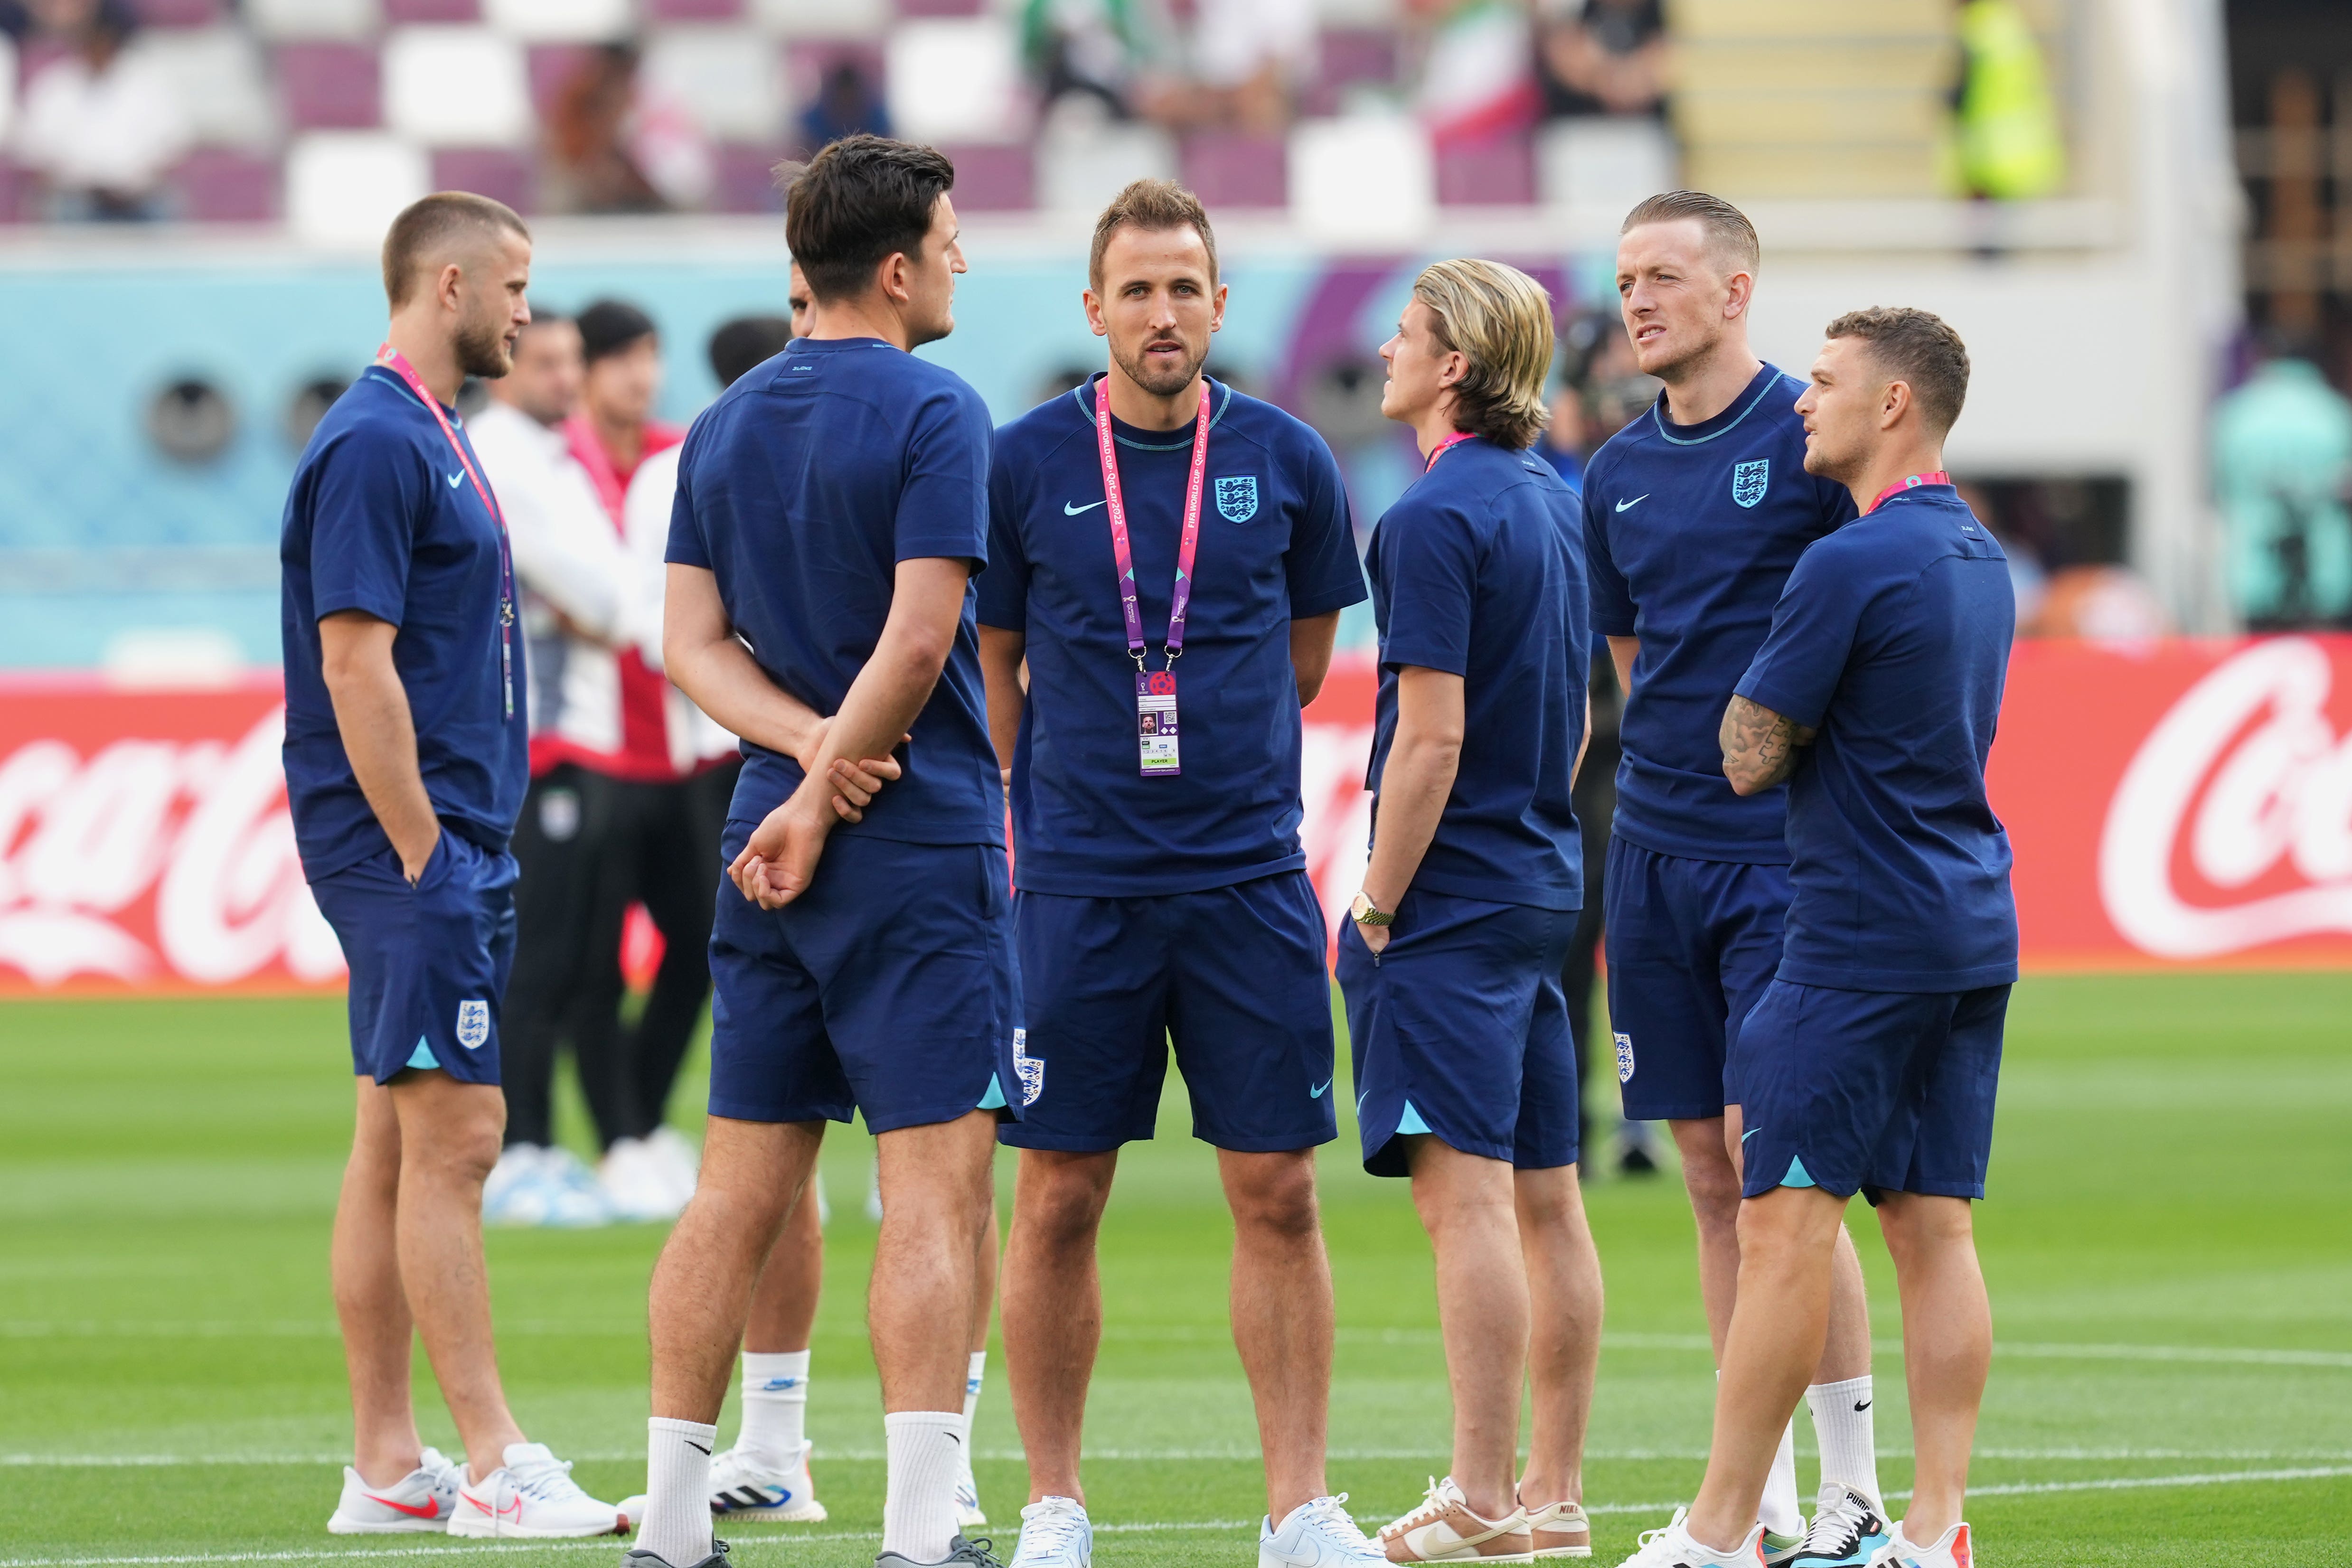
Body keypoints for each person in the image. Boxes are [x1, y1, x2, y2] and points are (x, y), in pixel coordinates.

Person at [626, 134, 1017, 1568]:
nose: (964, 263)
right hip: (909, 839)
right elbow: (922, 639)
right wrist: (832, 779)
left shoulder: (719, 425)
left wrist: (791, 770)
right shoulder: (936, 410)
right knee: (931, 1190)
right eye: (954, 242)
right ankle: (922, 1531)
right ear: (901, 265)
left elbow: (688, 647)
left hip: (760, 844)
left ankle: (670, 1527)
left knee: (735, 1188)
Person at [977, 179, 1380, 1568]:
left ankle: (1298, 1507)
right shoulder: (1023, 462)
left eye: (1185, 287)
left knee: (1278, 1190)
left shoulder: (1287, 457)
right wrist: (1052, 820)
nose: (1163, 313)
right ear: (1093, 309)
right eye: (1136, 289)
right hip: (1077, 890)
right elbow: (995, 675)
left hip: (1245, 883)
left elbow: (1309, 650)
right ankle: (1052, 1505)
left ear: (1220, 302)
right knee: (1055, 1195)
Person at [1616, 309, 2014, 1568]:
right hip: (1967, 919)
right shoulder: (1978, 551)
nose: (1803, 400)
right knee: (1935, 1227)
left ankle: (1723, 1524)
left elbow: (1744, 752)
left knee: (1778, 1218)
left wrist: (1760, 690)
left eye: (1829, 381)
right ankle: (1934, 1522)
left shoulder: (1845, 563)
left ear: (1893, 403)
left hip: (1851, 931)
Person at [282, 191, 631, 1539]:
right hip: (410, 839)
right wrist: (424, 844)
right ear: (447, 285)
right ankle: (494, 1455)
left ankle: (385, 1459)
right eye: (517, 288)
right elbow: (353, 657)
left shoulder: (426, 434)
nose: (531, 315)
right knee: (462, 1132)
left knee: (391, 1138)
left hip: (440, 832)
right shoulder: (377, 441)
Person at [1582, 190, 1885, 1567]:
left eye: (1663, 276)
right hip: (1655, 852)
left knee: (1788, 1180)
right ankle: (1751, 1499)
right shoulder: (1612, 474)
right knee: (1708, 1172)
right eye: (1626, 277)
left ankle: (1852, 1491)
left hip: (1785, 862)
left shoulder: (1809, 439)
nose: (1637, 299)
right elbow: (1642, 672)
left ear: (1737, 288)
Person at [1333, 259, 1604, 1566]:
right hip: (1542, 878)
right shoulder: (1555, 500)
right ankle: (1552, 1488)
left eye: (1404, 334)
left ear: (1453, 365)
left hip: (1453, 895)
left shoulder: (1430, 518)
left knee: (1469, 1200)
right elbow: (1578, 719)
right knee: (1548, 1194)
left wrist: (1380, 897)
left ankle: (1483, 1488)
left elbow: (1427, 739)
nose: (1385, 350)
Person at [467, 308, 649, 1229]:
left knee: (581, 959)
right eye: (545, 361)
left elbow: (610, 596)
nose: (565, 377)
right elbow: (610, 597)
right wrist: (600, 602)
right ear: (502, 370)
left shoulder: (544, 454)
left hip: (580, 739)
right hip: (539, 744)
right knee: (539, 959)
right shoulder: (501, 453)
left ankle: (553, 1146)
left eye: (573, 360)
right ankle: (520, 1150)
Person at [545, 299, 716, 1221]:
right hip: (591, 748)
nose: (638, 375)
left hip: (679, 748)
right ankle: (617, 1137)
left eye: (648, 355)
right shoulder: (554, 466)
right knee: (592, 961)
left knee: (698, 946)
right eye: (619, 358)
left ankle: (640, 1124)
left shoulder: (676, 455)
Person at [12, 1, 188, 221]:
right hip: (77, 197)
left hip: (139, 196)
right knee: (60, 209)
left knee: (167, 207)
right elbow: (35, 152)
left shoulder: (149, 82)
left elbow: (172, 146)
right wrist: (81, 181)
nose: (97, 47)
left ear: (116, 41)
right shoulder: (54, 87)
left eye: (104, 40)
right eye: (91, 40)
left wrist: (132, 184)